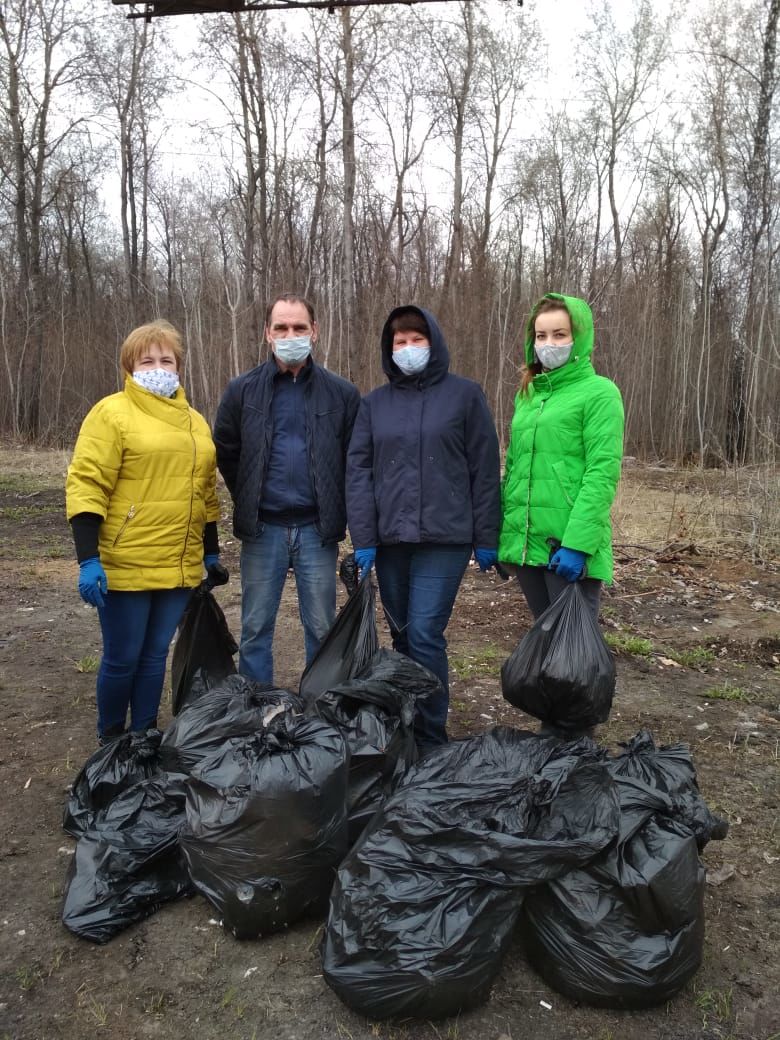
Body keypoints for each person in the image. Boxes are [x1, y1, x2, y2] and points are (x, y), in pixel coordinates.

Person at [346, 305, 501, 751]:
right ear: (388, 349)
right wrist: (365, 538)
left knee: (425, 633)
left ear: (433, 343)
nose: (408, 349)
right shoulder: (373, 404)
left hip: (444, 538)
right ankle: (404, 722)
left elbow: (484, 468)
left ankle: (431, 735)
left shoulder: (465, 396)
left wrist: (486, 535)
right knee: (400, 635)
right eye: (399, 342)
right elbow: (358, 472)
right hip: (391, 540)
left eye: (417, 339)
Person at [66, 320, 223, 744]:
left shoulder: (195, 422)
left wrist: (209, 553)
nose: (158, 366)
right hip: (125, 562)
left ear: (178, 368)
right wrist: (88, 558)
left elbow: (205, 494)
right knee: (122, 658)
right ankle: (112, 742)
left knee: (155, 655)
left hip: (177, 563)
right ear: (130, 368)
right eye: (147, 360)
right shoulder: (111, 413)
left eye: (166, 360)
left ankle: (144, 736)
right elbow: (87, 484)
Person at [213, 293, 361, 685]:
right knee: (256, 629)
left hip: (317, 529)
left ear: (314, 332)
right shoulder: (242, 391)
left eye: (298, 327)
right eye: (281, 327)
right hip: (263, 529)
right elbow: (226, 451)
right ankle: (257, 707)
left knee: (321, 627)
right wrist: (248, 494)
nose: (289, 334)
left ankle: (319, 709)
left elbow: (355, 458)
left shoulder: (342, 393)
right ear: (267, 333)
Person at [499, 292, 624, 621]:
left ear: (579, 338)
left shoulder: (599, 393)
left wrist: (578, 545)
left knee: (575, 660)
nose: (548, 343)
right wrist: (505, 534)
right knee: (544, 645)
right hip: (529, 545)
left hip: (565, 548)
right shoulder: (528, 395)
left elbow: (601, 474)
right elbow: (515, 469)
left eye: (559, 335)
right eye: (541, 336)